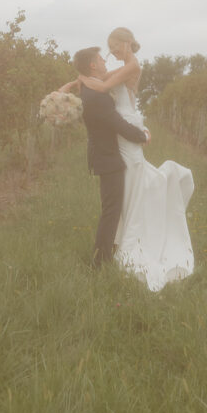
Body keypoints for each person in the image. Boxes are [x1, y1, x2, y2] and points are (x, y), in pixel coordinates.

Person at [74, 27, 195, 292]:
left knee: (128, 189)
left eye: (115, 47)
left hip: (127, 133)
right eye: (108, 51)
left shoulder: (132, 66)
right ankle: (116, 245)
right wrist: (75, 82)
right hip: (122, 135)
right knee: (125, 193)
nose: (112, 53)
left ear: (126, 44)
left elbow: (103, 84)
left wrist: (82, 78)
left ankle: (127, 244)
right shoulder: (121, 68)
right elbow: (101, 78)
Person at [64, 46, 150, 268]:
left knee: (112, 208)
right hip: (107, 157)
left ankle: (106, 253)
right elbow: (117, 123)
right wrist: (142, 136)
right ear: (93, 65)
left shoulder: (90, 89)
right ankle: (100, 261)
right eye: (101, 59)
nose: (104, 62)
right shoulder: (96, 96)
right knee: (111, 210)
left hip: (105, 154)